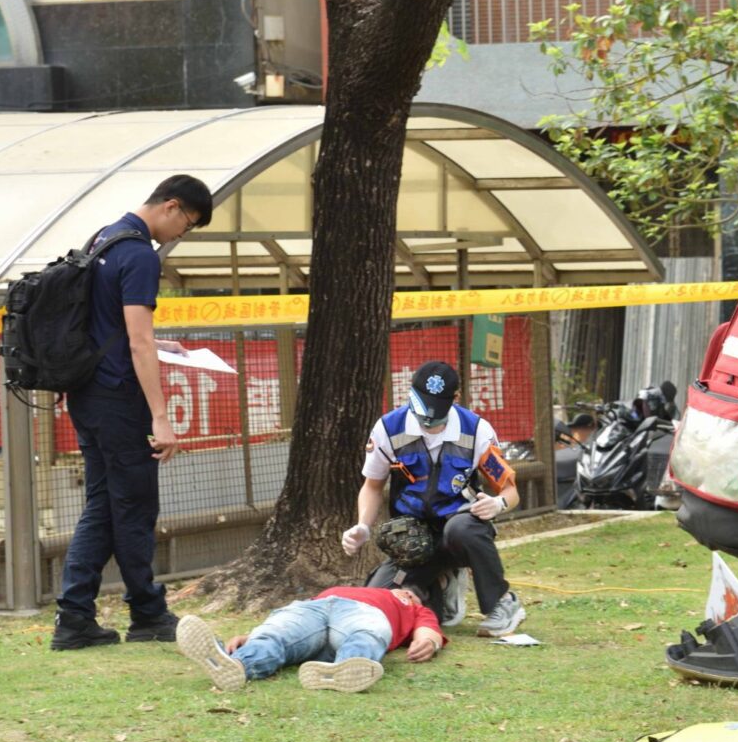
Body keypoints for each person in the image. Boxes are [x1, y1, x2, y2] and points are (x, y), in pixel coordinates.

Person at [53, 175, 213, 652]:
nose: (182, 234)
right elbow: (138, 341)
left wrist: (158, 343)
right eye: (188, 223)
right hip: (120, 400)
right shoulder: (140, 254)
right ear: (172, 206)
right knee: (135, 506)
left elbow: (108, 325)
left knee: (102, 505)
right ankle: (146, 612)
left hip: (86, 393)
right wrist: (161, 418)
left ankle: (75, 616)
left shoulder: (103, 239)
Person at [341, 360, 526, 638]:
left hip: (459, 527)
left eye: (436, 411)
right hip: (415, 539)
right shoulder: (388, 429)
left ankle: (502, 602)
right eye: (422, 409)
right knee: (383, 603)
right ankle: (440, 586)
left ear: (455, 399)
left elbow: (511, 491)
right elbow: (373, 485)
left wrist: (498, 504)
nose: (428, 419)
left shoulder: (477, 431)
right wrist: (362, 526)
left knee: (461, 529)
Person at [174, 587, 444, 694]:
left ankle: (348, 668)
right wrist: (250, 636)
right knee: (276, 635)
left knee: (367, 635)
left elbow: (429, 632)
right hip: (316, 606)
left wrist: (429, 643)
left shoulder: (413, 607)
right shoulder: (371, 589)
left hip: (362, 615)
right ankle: (237, 665)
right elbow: (294, 625)